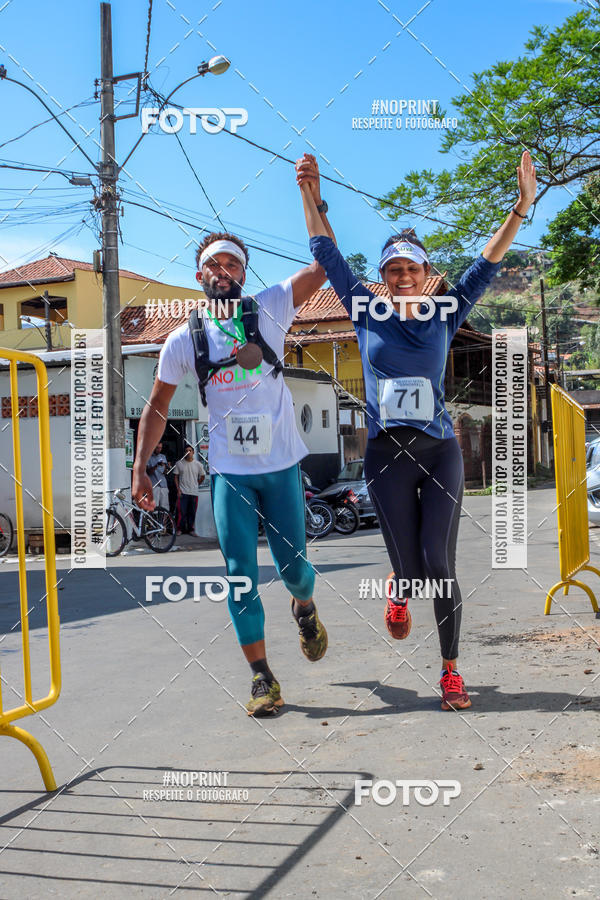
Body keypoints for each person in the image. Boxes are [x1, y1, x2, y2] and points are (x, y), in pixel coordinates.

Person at [297, 150, 537, 711]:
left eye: (413, 269)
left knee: (439, 562)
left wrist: (522, 207)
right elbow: (324, 250)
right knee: (407, 569)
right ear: (382, 278)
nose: (403, 278)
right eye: (393, 270)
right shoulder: (364, 310)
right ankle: (397, 590)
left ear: (427, 277)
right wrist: (307, 190)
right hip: (385, 453)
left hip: (440, 449)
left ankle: (452, 671)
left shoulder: (446, 312)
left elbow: (488, 261)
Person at [132, 230, 330, 716]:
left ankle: (304, 607)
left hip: (281, 466)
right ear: (199, 276)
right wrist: (140, 469)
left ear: (243, 273)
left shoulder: (270, 309)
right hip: (229, 474)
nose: (223, 272)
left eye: (232, 265)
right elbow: (157, 406)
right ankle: (263, 679)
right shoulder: (184, 340)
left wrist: (313, 201)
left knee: (295, 573)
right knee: (240, 576)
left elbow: (323, 267)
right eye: (213, 266)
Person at [174, 444, 206, 535]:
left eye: (190, 451)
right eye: (186, 451)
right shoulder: (179, 463)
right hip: (183, 492)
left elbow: (203, 476)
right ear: (184, 453)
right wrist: (178, 489)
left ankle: (191, 530)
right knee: (181, 512)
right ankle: (180, 529)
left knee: (192, 512)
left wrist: (197, 484)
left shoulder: (198, 464)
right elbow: (175, 477)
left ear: (193, 452)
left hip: (194, 492)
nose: (188, 453)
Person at [147, 442, 170, 511]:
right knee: (154, 507)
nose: (159, 450)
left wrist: (168, 467)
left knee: (165, 507)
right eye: (157, 448)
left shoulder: (163, 456)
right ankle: (153, 521)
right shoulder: (148, 457)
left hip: (163, 485)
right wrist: (156, 465)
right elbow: (147, 472)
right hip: (154, 485)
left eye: (160, 448)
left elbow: (165, 473)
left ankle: (164, 521)